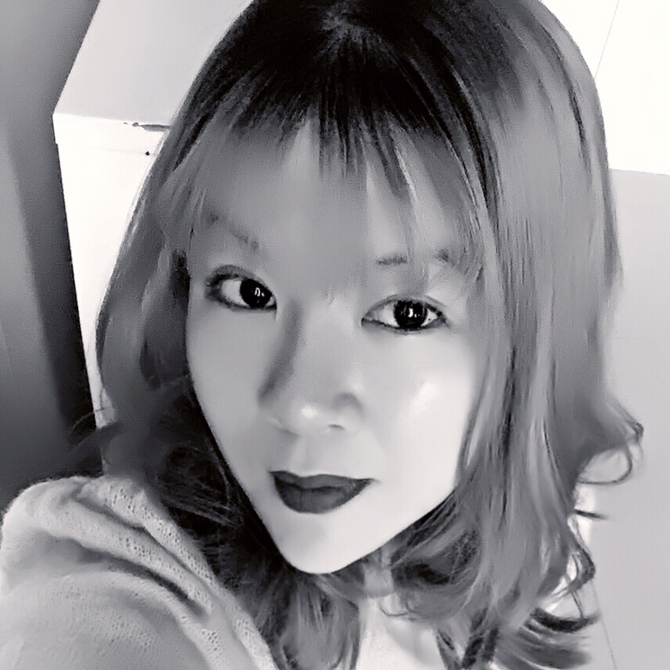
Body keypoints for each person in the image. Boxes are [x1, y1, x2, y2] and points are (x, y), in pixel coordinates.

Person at [0, 0, 643, 668]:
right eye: (248, 291)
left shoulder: (541, 508)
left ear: (534, 337)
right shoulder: (117, 594)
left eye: (406, 313)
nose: (298, 404)